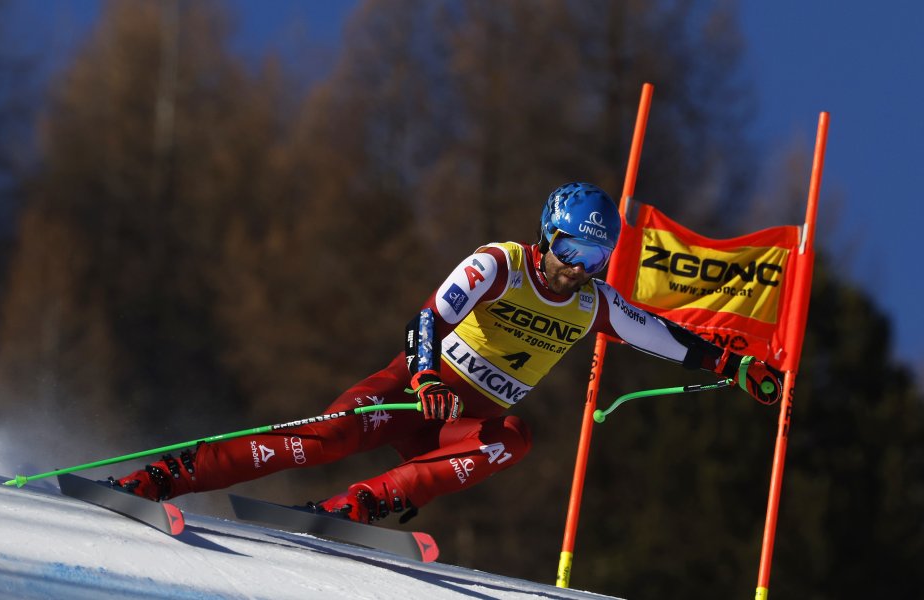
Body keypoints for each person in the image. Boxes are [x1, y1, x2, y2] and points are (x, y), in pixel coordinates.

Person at [111, 182, 782, 524]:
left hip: (463, 423)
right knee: (324, 439)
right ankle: (166, 476)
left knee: (514, 437)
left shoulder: (592, 302)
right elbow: (428, 317)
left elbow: (665, 335)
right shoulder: (501, 264)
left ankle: (361, 506)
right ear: (547, 236)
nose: (579, 268)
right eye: (572, 249)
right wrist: (428, 375)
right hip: (416, 391)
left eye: (596, 257)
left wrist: (737, 365)